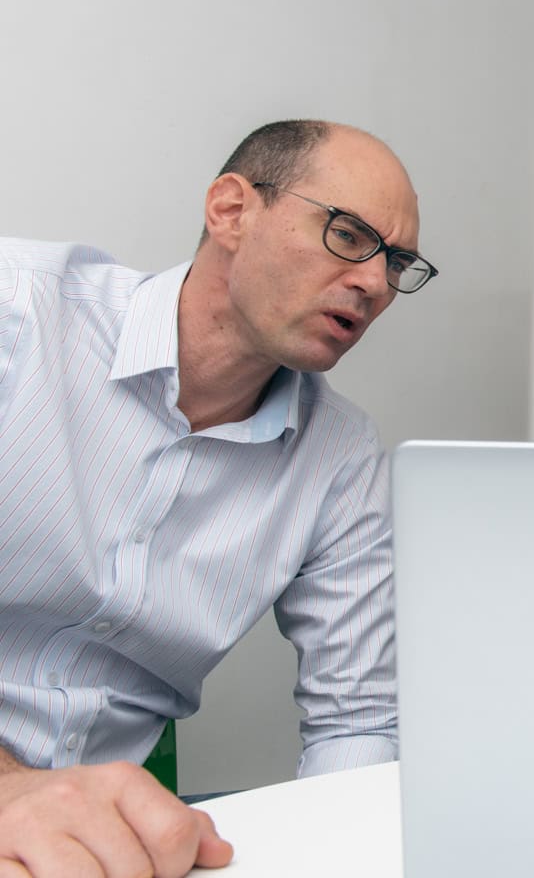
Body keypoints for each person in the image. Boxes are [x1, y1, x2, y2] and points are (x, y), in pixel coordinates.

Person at [0, 120, 436, 876]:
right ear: (231, 210)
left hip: (109, 844)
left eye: (397, 262)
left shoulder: (340, 458)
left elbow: (357, 721)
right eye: (348, 235)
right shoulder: (20, 319)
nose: (374, 282)